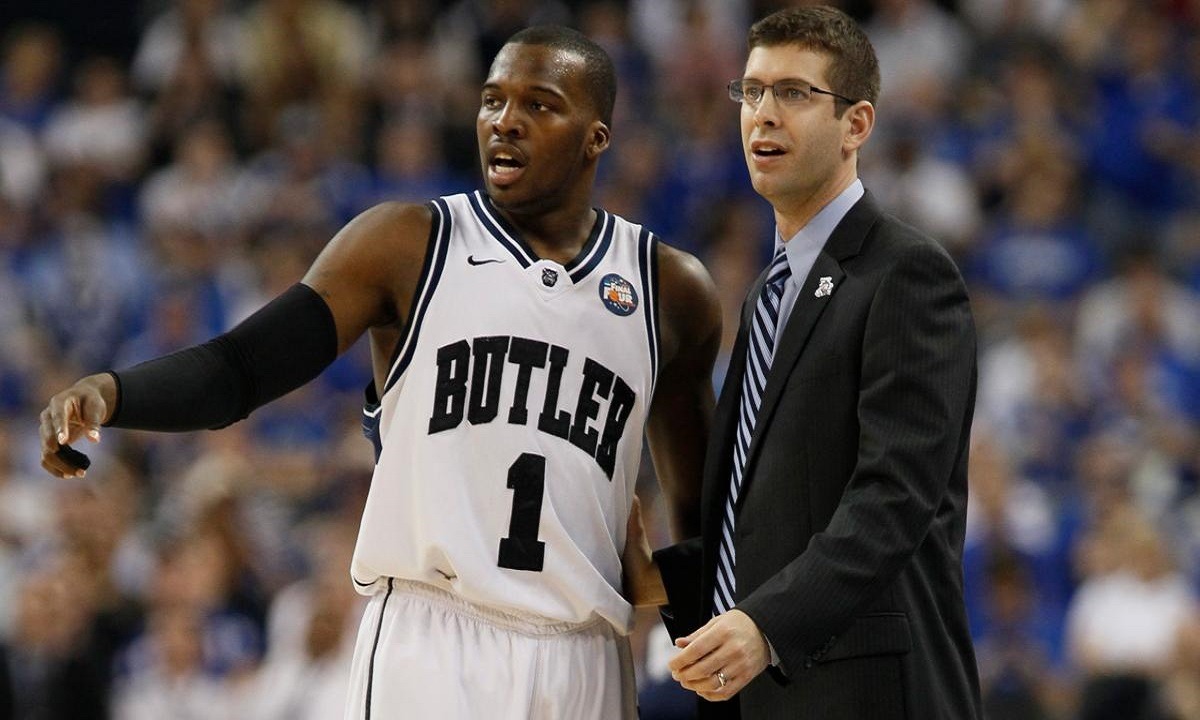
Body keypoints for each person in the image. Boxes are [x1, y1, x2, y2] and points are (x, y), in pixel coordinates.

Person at [38, 25, 721, 720]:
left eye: (539, 104)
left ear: (597, 137)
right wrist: (112, 392)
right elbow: (241, 368)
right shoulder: (407, 243)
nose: (505, 121)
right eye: (492, 100)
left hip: (587, 652)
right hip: (433, 638)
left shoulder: (669, 290)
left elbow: (706, 525)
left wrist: (693, 639)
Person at [624, 6, 982, 719]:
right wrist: (658, 578)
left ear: (857, 125)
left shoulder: (907, 274)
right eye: (752, 91)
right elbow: (767, 519)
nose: (763, 113)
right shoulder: (767, 294)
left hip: (873, 697)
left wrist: (765, 625)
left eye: (793, 93)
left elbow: (893, 499)